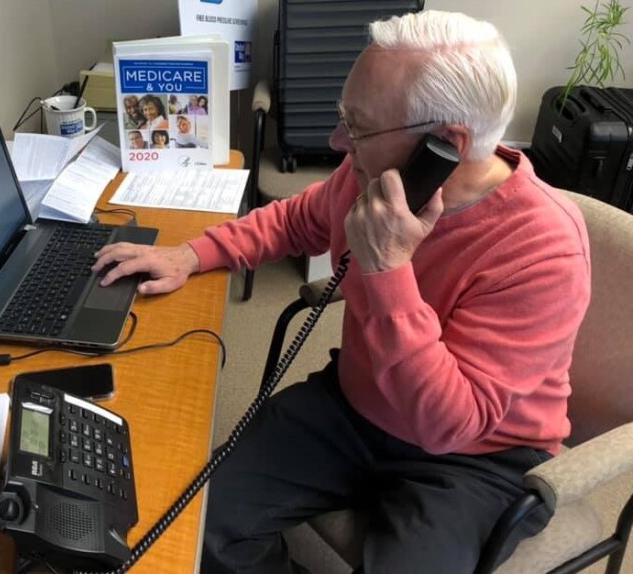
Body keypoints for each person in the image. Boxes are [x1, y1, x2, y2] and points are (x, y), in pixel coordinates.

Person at [94, 10, 591, 573]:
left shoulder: (544, 248)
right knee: (196, 527)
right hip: (358, 404)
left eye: (357, 128)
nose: (337, 143)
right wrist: (191, 253)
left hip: (474, 455)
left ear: (446, 145)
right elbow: (294, 220)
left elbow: (447, 423)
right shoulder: (371, 180)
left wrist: (387, 270)